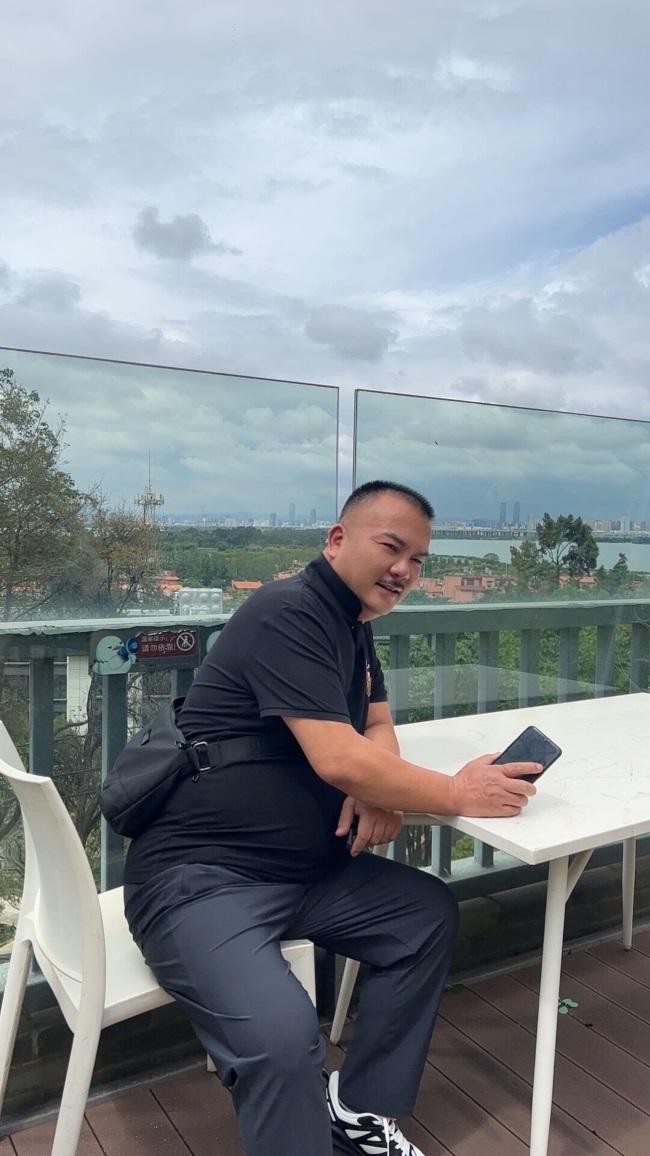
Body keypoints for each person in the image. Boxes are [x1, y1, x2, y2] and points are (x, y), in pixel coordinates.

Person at [124, 480, 538, 1156]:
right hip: (201, 881)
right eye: (392, 547)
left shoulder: (350, 625)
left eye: (418, 559)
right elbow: (339, 758)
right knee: (282, 1039)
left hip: (303, 874)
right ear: (338, 540)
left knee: (424, 917)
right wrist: (456, 792)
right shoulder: (289, 611)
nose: (404, 569)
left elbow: (374, 724)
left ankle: (359, 1110)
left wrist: (380, 791)